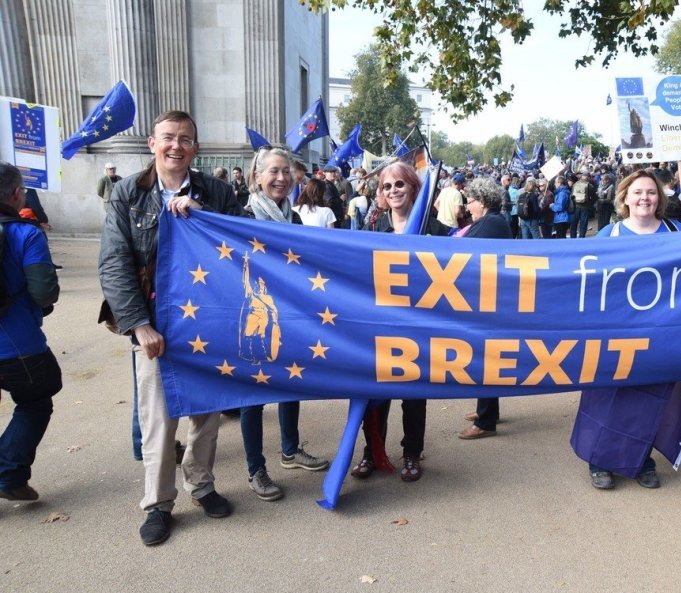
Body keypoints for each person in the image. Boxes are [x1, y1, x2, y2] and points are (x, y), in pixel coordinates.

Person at [98, 110, 241, 546]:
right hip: (156, 326)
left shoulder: (216, 192)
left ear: (196, 148)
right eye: (168, 138)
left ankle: (202, 485)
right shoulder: (127, 194)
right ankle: (158, 504)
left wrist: (202, 217)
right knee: (158, 420)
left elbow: (241, 249)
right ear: (151, 143)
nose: (175, 146)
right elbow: (114, 262)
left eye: (185, 139)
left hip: (209, 323)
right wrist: (138, 325)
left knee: (207, 413)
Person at [573, 170, 681, 490]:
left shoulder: (676, 231)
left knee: (648, 399)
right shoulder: (610, 234)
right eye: (637, 192)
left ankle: (641, 460)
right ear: (624, 197)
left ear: (659, 198)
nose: (644, 198)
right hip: (614, 331)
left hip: (660, 331)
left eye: (650, 192)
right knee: (607, 396)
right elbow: (589, 282)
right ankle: (598, 460)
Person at [350, 161, 451, 483]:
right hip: (380, 327)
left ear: (413, 188)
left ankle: (411, 452)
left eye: (400, 184)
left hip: (420, 326)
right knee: (375, 394)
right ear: (380, 193)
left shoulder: (434, 230)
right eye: (387, 186)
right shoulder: (372, 234)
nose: (393, 191)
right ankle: (372, 453)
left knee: (413, 394)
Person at [238, 147, 329, 501]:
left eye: (286, 172)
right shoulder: (241, 215)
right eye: (273, 171)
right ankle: (255, 469)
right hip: (254, 313)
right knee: (253, 394)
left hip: (288, 313)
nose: (281, 178)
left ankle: (290, 451)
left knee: (292, 380)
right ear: (257, 177)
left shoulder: (294, 219)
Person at [0, 162, 61, 502]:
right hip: (17, 343)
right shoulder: (26, 233)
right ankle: (8, 472)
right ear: (16, 193)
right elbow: (44, 293)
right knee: (37, 399)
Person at [457, 177, 512, 439]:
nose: (468, 207)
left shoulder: (490, 223)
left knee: (486, 358)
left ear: (483, 201)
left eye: (470, 201)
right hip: (489, 297)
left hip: (490, 300)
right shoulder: (493, 221)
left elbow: (462, 250)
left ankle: (486, 420)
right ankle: (487, 410)